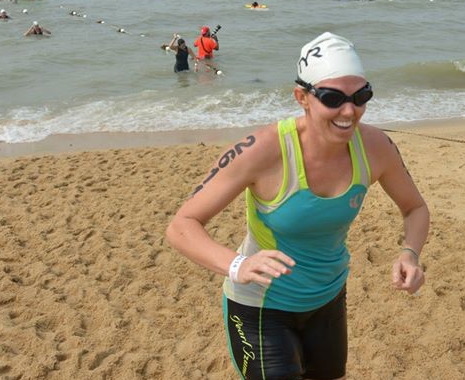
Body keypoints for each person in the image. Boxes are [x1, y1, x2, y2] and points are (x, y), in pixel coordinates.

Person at [166, 32, 429, 379]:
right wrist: (236, 265)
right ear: (302, 97)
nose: (349, 111)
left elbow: (415, 208)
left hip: (328, 299)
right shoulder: (262, 150)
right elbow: (182, 225)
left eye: (361, 96)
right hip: (261, 306)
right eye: (332, 98)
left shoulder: (375, 146)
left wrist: (410, 253)